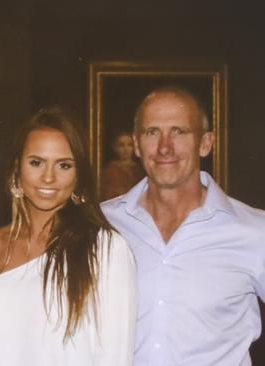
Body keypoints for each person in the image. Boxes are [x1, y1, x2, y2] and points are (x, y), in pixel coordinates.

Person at [102, 86, 265, 365]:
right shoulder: (102, 224)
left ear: (205, 143)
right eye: (152, 132)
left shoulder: (254, 232)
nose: (165, 147)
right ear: (137, 144)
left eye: (179, 131)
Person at [0, 107, 136, 365]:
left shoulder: (105, 248)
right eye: (36, 162)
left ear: (78, 175)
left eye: (64, 165)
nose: (48, 177)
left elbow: (115, 356)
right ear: (17, 169)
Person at [101, 131, 144, 200]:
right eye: (121, 145)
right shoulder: (110, 169)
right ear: (114, 148)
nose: (126, 149)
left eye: (130, 145)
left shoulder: (140, 169)